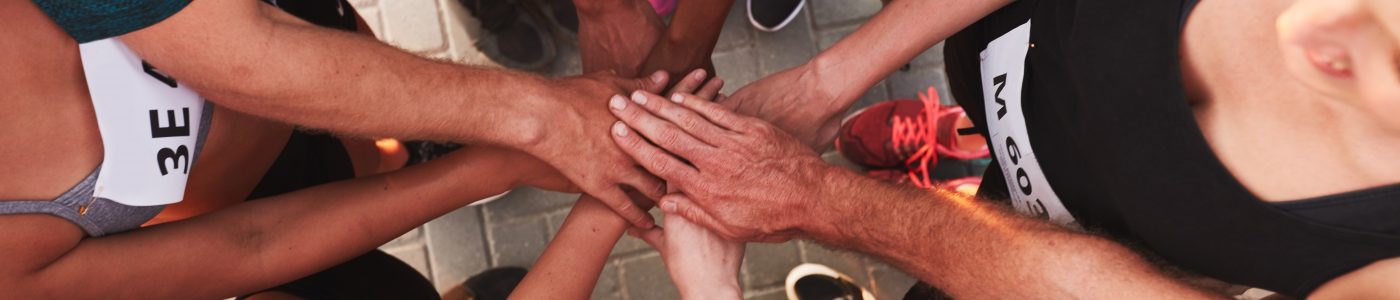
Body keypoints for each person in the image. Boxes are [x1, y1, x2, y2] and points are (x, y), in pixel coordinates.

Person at [601, 0, 1400, 298]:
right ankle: (955, 139)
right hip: (995, 49)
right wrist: (827, 78)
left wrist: (818, 200)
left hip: (1044, 259)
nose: (1322, 18)